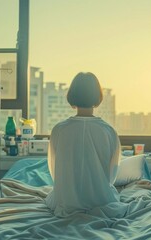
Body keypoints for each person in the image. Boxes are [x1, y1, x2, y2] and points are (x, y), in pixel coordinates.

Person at [45, 72, 121, 217]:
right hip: (101, 199)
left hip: (66, 199)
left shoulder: (59, 130)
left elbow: (54, 169)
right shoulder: (108, 131)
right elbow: (112, 174)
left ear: (72, 95)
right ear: (97, 97)